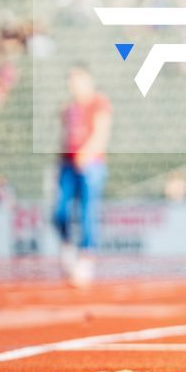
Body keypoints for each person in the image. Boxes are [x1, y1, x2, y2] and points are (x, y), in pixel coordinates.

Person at [53, 65, 110, 286]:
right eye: (71, 80)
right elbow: (64, 135)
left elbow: (100, 134)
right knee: (59, 211)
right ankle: (68, 247)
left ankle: (86, 259)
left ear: (88, 80)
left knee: (88, 211)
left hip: (91, 165)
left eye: (77, 79)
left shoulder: (99, 104)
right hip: (68, 165)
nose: (74, 85)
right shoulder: (68, 108)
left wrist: (86, 155)